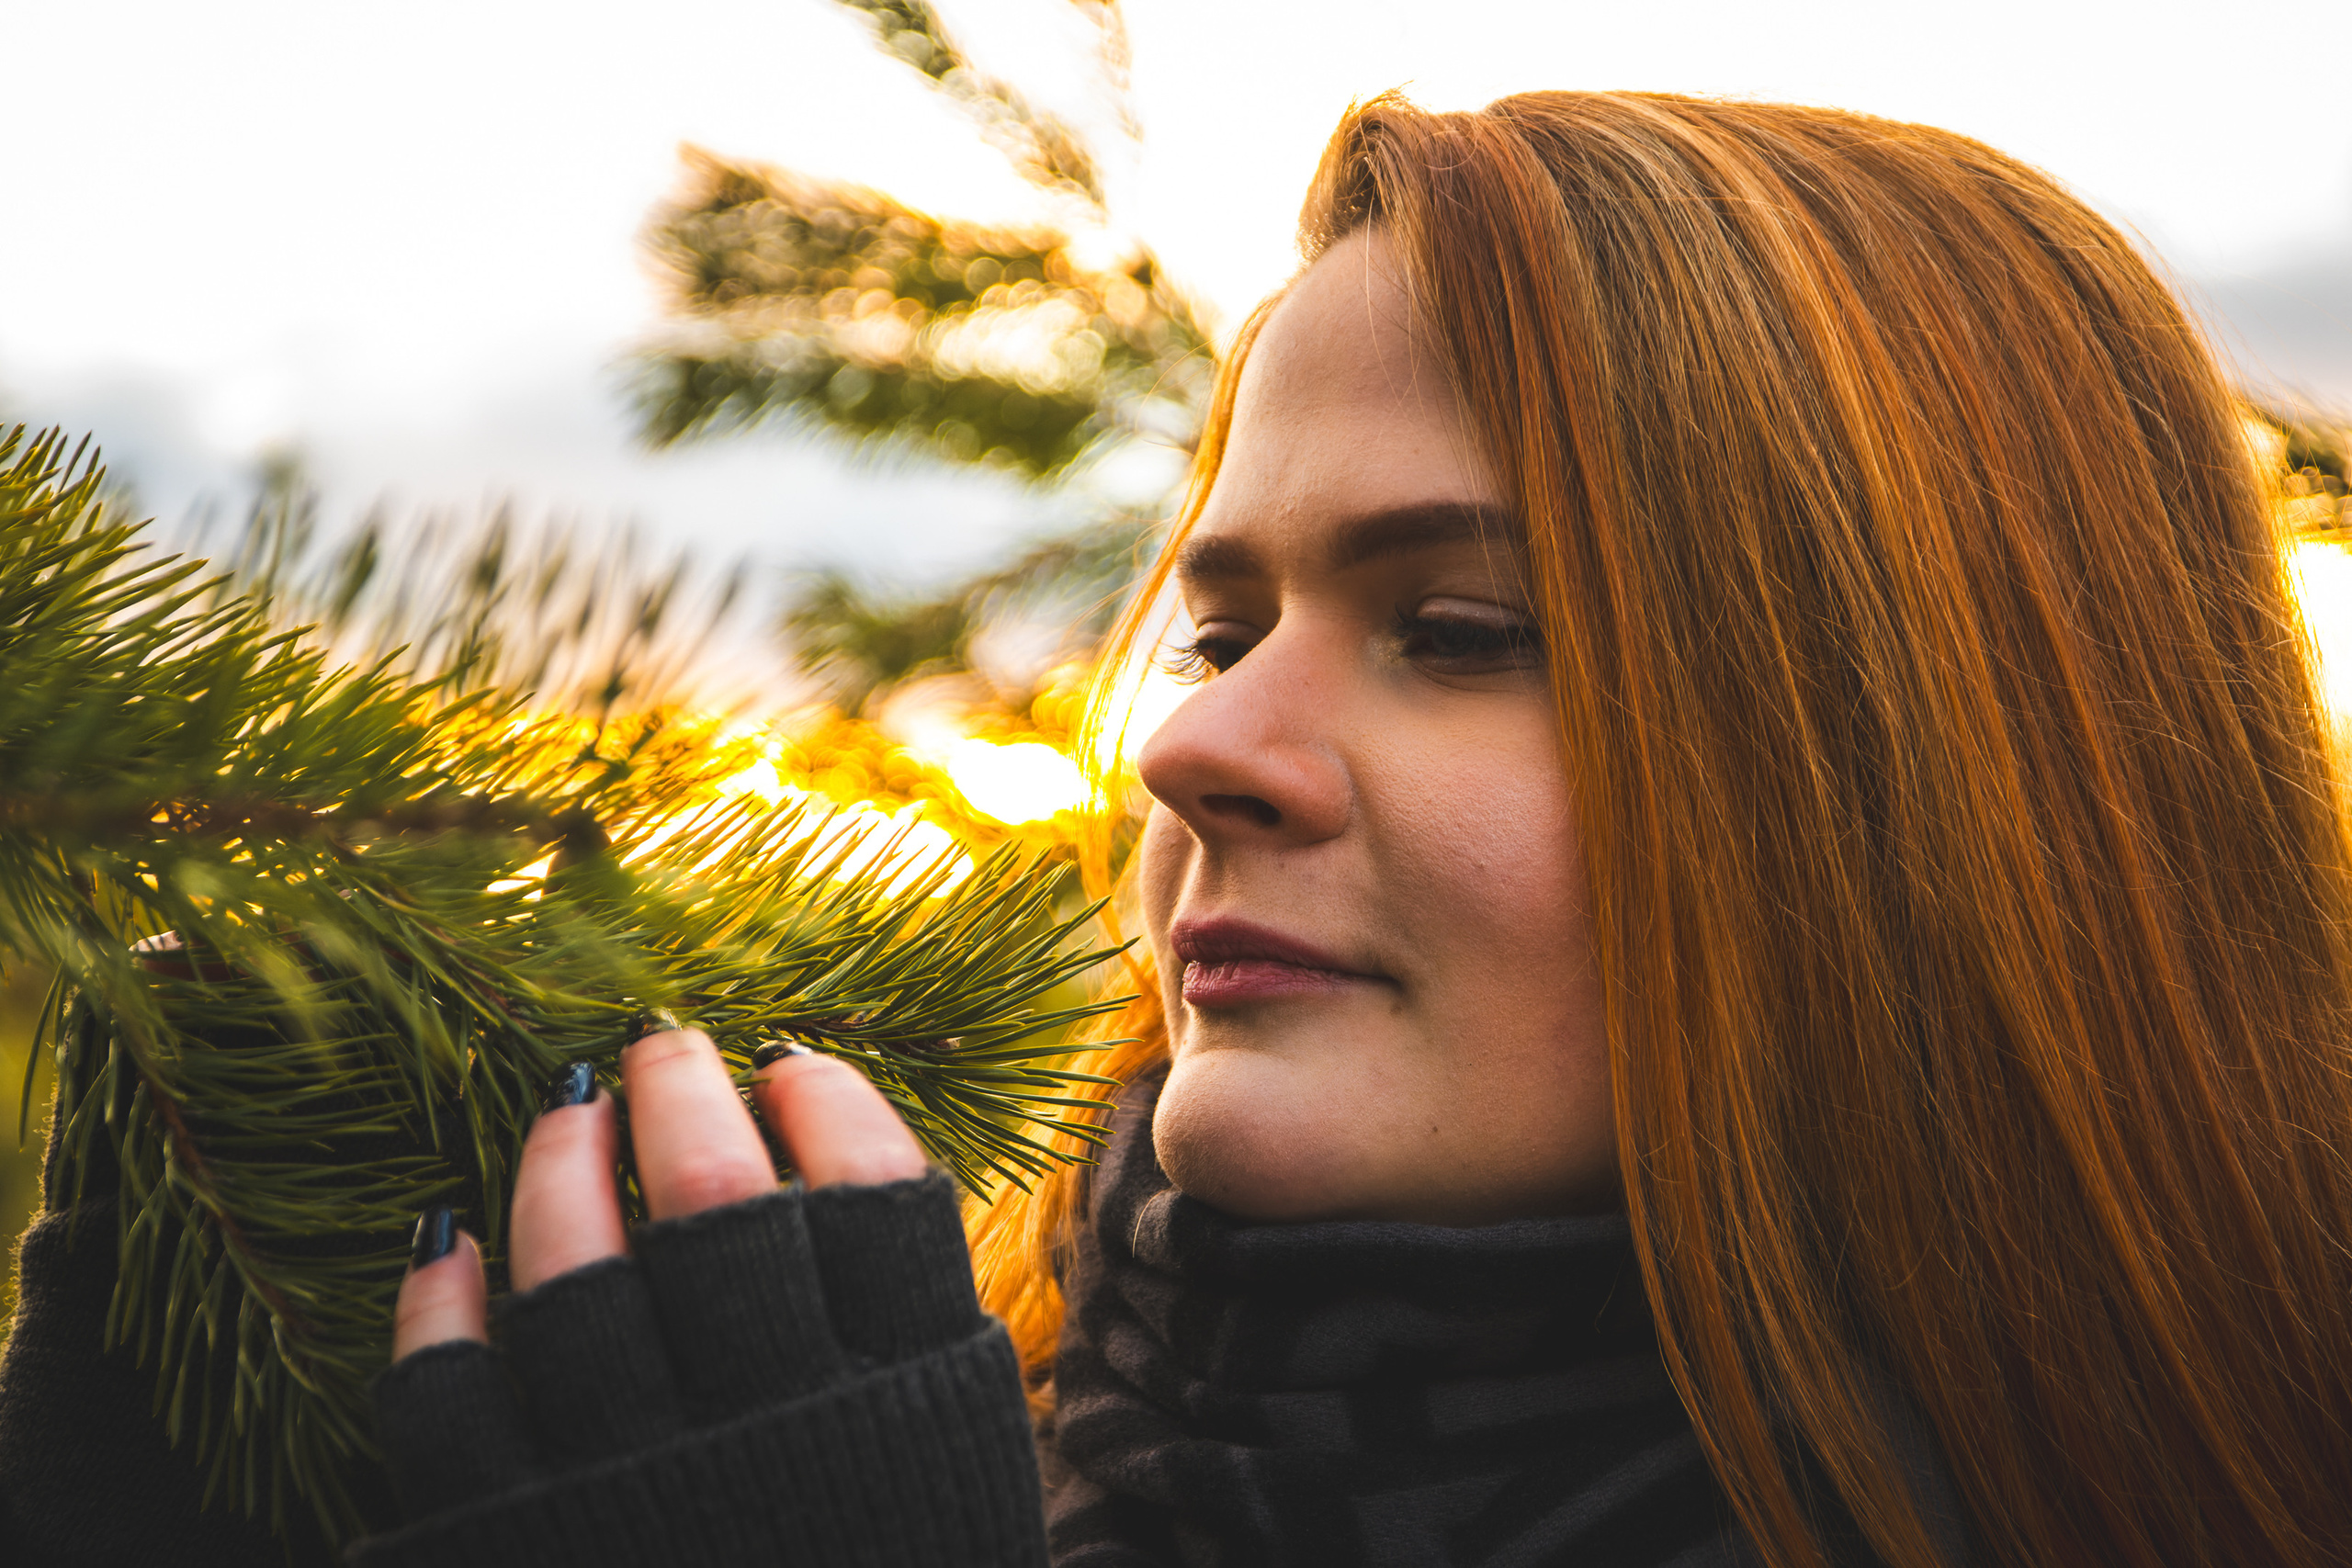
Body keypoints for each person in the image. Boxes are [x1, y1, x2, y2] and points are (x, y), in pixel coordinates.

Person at [8, 89, 2352, 1567]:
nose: (1186, 751)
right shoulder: (878, 1419)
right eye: (1218, 628)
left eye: (1455, 627)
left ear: (1930, 781)